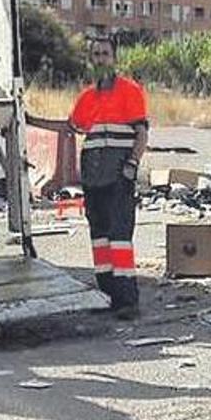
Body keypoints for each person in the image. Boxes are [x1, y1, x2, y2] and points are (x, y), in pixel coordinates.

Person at [68, 37, 148, 320]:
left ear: (114, 58)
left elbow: (141, 133)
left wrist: (132, 164)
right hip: (93, 177)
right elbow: (71, 127)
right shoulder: (87, 97)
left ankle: (127, 300)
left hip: (118, 175)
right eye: (96, 54)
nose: (100, 59)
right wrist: (27, 118)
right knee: (99, 238)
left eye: (105, 54)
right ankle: (107, 295)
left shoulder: (129, 91)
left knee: (119, 238)